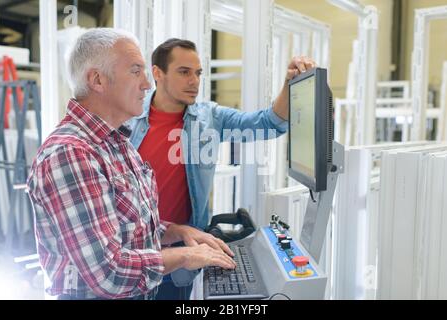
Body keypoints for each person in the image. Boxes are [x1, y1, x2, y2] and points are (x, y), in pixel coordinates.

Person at [27, 28, 235, 300]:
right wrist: (186, 256)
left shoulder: (118, 143)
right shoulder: (71, 154)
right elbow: (109, 273)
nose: (147, 84)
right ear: (97, 80)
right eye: (136, 71)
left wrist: (177, 231)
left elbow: (128, 226)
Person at [129, 38, 316, 299]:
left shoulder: (210, 118)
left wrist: (289, 84)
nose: (194, 81)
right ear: (157, 73)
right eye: (184, 72)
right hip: (134, 253)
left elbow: (267, 124)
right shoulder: (128, 119)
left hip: (186, 252)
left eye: (198, 73)